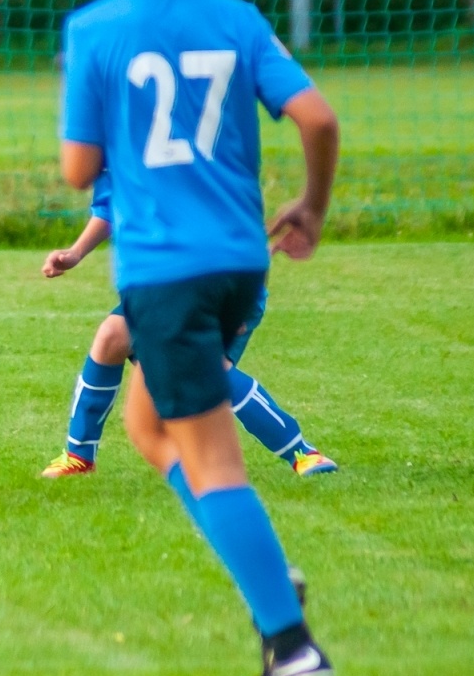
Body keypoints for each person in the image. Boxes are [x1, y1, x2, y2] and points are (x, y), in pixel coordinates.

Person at [58, 0, 341, 676]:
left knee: (213, 463)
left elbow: (79, 170)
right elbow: (318, 118)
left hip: (166, 272)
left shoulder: (96, 29)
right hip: (241, 263)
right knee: (148, 426)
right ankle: (266, 574)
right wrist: (311, 206)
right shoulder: (239, 21)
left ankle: (291, 646)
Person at [39, 178, 338, 479]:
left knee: (207, 367)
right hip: (161, 284)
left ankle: (302, 452)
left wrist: (240, 292)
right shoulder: (118, 155)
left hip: (220, 276)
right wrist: (76, 252)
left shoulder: (196, 160)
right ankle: (78, 456)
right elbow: (108, 207)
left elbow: (237, 215)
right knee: (112, 336)